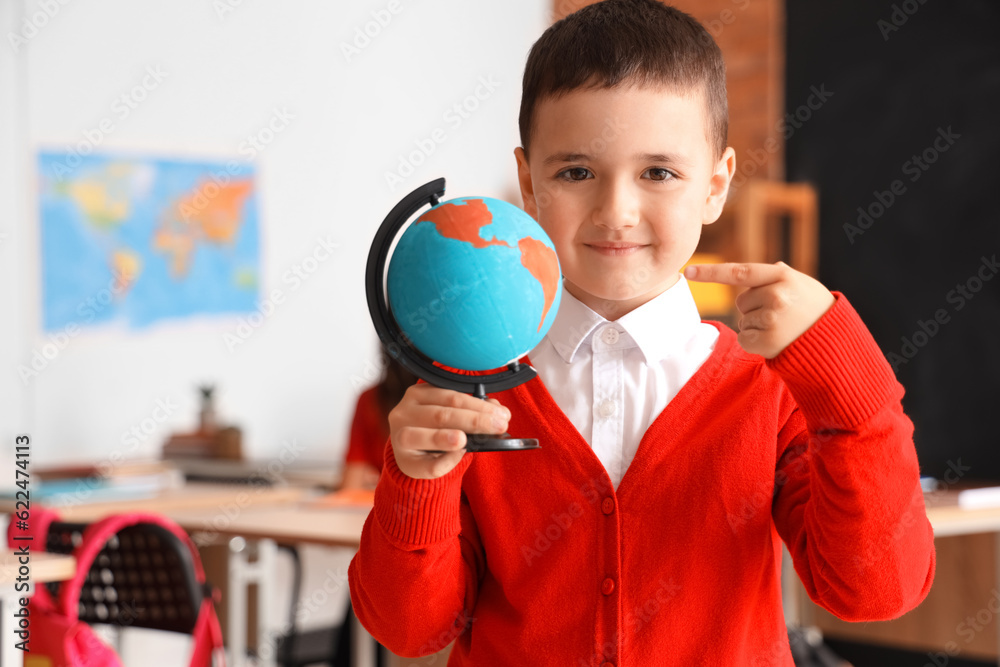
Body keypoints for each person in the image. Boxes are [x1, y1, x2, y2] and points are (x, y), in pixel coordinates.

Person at [348, 2, 936, 664]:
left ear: (715, 185)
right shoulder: (475, 394)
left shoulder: (769, 387)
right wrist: (416, 483)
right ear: (528, 183)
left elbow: (876, 588)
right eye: (576, 171)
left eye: (658, 172)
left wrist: (848, 381)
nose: (617, 211)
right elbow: (407, 628)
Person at [341, 345, 419, 490]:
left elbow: (350, 485)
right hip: (390, 503)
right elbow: (350, 485)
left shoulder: (369, 400)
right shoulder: (370, 401)